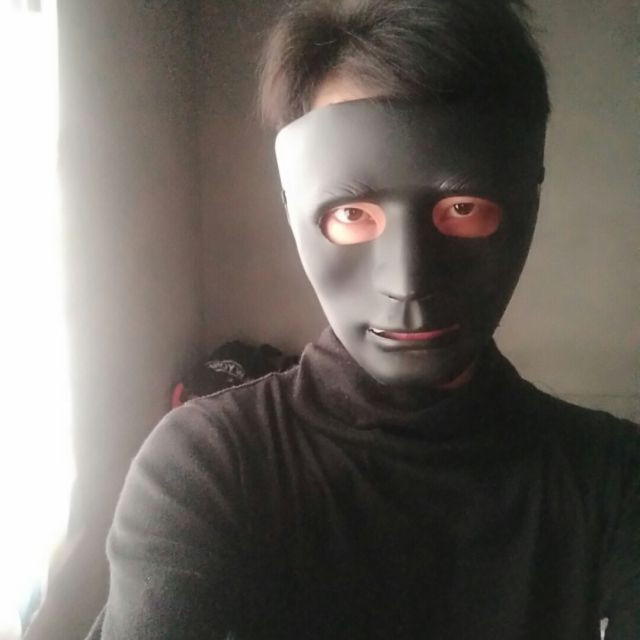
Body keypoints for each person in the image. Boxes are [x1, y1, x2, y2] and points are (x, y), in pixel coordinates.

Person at [87, 1, 639, 638]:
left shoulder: (614, 479)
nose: (407, 282)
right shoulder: (207, 467)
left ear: (524, 202)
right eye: (352, 213)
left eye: (461, 208)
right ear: (297, 210)